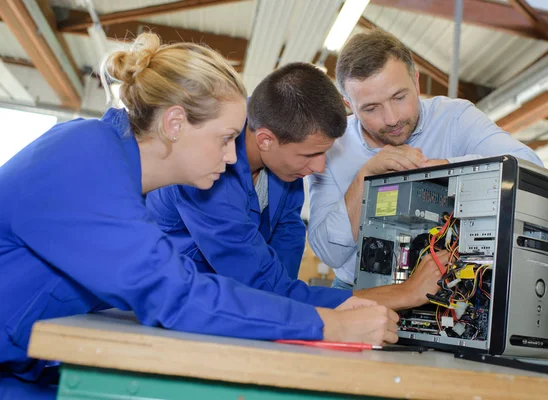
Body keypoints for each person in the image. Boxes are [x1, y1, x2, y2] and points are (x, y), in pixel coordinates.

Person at [0, 34, 399, 399]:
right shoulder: (83, 163)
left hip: (28, 362)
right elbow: (176, 294)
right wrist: (329, 325)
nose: (231, 158)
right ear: (174, 123)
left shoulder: (109, 162)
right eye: (225, 138)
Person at [146, 62, 446, 312]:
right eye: (309, 154)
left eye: (323, 153)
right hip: (177, 309)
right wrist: (404, 294)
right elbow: (265, 291)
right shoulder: (209, 178)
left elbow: (286, 244)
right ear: (266, 140)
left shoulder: (282, 167)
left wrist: (288, 307)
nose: (318, 168)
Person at [307, 30, 544, 290]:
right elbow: (330, 254)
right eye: (371, 108)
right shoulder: (331, 148)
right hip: (360, 291)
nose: (391, 118)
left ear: (416, 81)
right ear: (348, 103)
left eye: (399, 97)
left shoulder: (455, 118)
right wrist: (366, 177)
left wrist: (446, 170)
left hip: (450, 289)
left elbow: (530, 169)